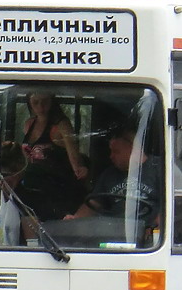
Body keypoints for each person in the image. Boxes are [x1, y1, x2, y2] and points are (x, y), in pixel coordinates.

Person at [16, 91, 89, 221]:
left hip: (54, 188)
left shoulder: (61, 126)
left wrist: (79, 169)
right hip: (31, 186)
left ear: (52, 101)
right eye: (35, 102)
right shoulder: (29, 124)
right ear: (29, 103)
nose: (40, 106)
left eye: (45, 101)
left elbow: (74, 156)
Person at [69, 127, 162, 224]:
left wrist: (157, 228)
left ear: (133, 149)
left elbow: (175, 203)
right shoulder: (109, 175)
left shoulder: (161, 168)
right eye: (111, 151)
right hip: (115, 231)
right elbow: (93, 204)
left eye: (116, 151)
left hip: (151, 233)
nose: (111, 156)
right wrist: (75, 219)